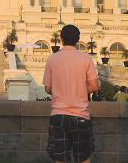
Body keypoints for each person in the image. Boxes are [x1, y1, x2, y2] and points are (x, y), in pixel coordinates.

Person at [43, 24, 98, 163]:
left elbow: (48, 89)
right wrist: (80, 90)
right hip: (80, 115)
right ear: (78, 40)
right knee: (84, 158)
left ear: (61, 39)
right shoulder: (86, 59)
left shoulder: (52, 59)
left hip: (58, 115)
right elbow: (94, 86)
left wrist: (60, 90)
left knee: (60, 158)